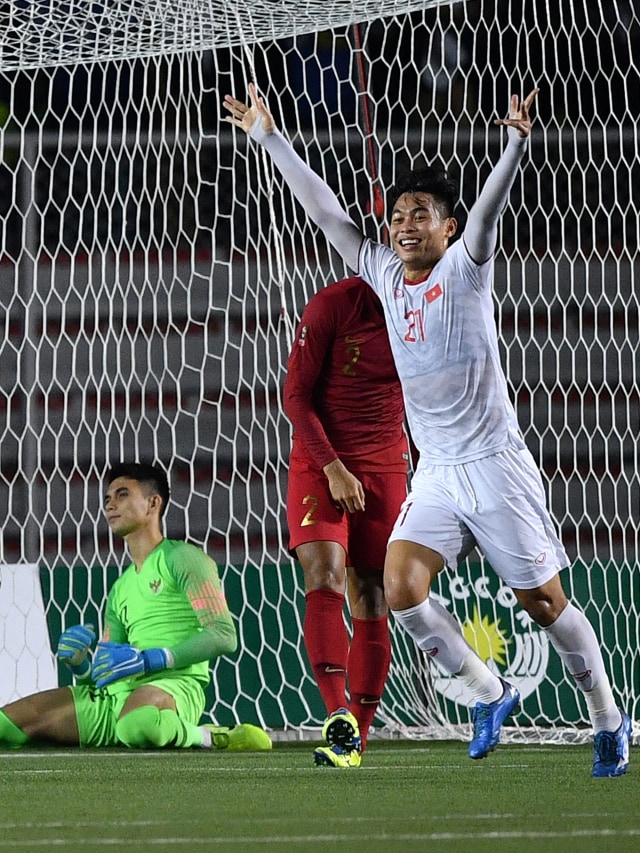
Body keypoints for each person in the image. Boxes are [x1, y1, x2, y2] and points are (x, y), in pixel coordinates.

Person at [222, 84, 631, 777]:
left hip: (496, 465)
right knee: (401, 586)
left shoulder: (467, 271)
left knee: (543, 603)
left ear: (447, 228)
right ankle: (489, 691)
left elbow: (490, 213)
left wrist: (515, 145)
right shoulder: (383, 273)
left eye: (424, 215)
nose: (407, 224)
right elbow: (326, 213)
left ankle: (607, 718)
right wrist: (269, 137)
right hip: (437, 468)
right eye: (401, 215)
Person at [0, 462, 272, 753]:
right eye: (107, 499)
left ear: (153, 503)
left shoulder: (183, 559)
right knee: (7, 726)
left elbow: (223, 635)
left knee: (138, 725)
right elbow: (103, 674)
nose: (110, 505)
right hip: (114, 699)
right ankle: (127, 727)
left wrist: (153, 659)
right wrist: (80, 665)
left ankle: (213, 737)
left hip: (173, 686)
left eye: (122, 495)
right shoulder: (121, 588)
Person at [284, 277, 409, 768]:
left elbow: (430, 401)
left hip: (386, 465)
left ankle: (356, 737)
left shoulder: (434, 305)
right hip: (321, 464)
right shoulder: (334, 305)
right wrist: (333, 467)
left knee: (374, 593)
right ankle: (336, 710)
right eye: (396, 220)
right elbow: (295, 395)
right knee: (324, 576)